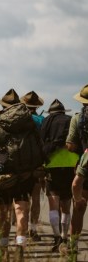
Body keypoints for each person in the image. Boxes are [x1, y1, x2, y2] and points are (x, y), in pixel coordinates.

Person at [0, 97, 43, 259]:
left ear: (4, 107)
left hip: (4, 175)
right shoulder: (31, 125)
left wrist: (1, 154)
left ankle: (2, 248)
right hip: (26, 174)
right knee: (21, 210)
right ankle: (20, 246)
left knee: (3, 213)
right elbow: (41, 147)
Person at [41, 99, 74, 252]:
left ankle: (56, 237)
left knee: (53, 203)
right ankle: (65, 237)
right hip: (69, 164)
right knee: (66, 203)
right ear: (63, 111)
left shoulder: (47, 121)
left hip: (51, 165)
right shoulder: (70, 120)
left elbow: (41, 143)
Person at [20, 91, 46, 241]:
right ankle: (33, 230)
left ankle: (20, 229)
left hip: (21, 163)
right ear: (37, 106)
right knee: (35, 197)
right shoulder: (41, 119)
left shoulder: (19, 119)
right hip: (36, 163)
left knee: (22, 199)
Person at [68, 84, 88, 255]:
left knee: (79, 207)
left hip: (85, 166)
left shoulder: (77, 118)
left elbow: (70, 145)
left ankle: (73, 246)